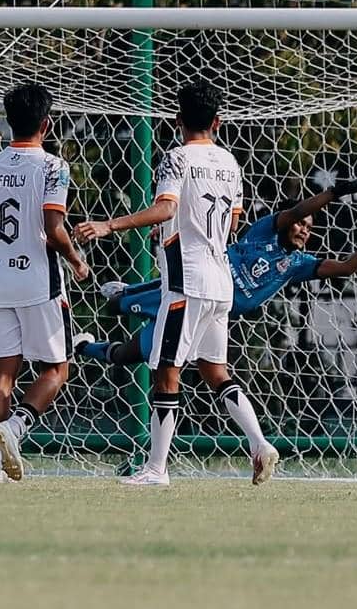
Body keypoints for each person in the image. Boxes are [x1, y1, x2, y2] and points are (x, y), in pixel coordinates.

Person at [75, 78, 274, 487]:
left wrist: (109, 225)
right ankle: (259, 443)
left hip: (188, 282)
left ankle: (156, 469)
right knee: (215, 369)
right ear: (218, 121)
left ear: (178, 119)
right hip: (221, 283)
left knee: (168, 371)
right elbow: (233, 221)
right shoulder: (231, 163)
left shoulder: (177, 158)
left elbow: (166, 207)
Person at [77, 181, 357, 367]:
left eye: (309, 228)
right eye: (301, 223)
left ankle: (83, 347)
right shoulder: (264, 233)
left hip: (213, 312)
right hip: (191, 288)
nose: (304, 229)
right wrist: (336, 192)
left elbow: (347, 267)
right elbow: (299, 210)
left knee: (128, 355)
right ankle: (122, 292)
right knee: (114, 306)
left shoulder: (297, 264)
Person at [0, 82, 89, 483]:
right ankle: (16, 426)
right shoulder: (53, 166)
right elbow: (53, 226)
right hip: (39, 282)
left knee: (3, 374)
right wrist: (76, 259)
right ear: (47, 123)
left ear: (9, 122)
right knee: (57, 369)